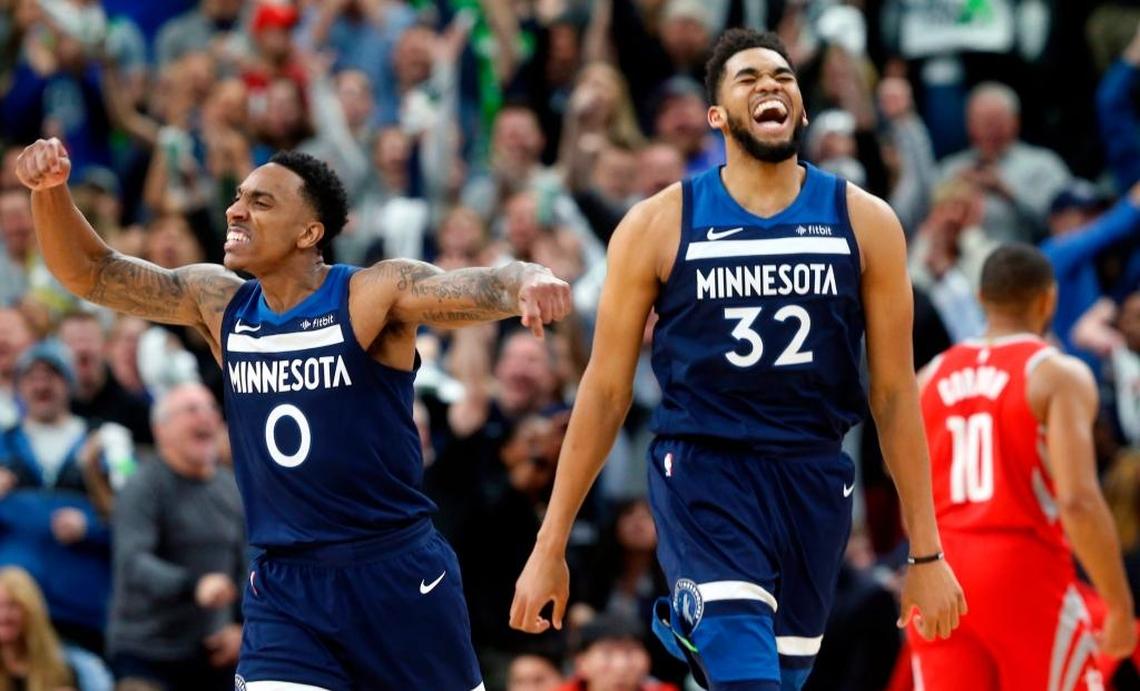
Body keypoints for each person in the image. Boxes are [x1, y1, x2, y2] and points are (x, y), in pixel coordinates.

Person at [16, 138, 572, 689]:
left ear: (309, 233)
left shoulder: (367, 295)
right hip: (286, 586)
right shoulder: (220, 303)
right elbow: (95, 273)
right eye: (239, 196)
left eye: (261, 202)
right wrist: (49, 192)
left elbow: (478, 282)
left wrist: (526, 280)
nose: (235, 209)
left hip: (396, 575)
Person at [511, 29, 965, 691]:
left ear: (802, 109)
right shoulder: (657, 223)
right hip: (703, 472)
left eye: (782, 76)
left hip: (812, 478)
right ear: (717, 117)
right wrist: (549, 544)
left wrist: (927, 551)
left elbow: (895, 395)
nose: (770, 86)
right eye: (748, 79)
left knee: (776, 679)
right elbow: (605, 390)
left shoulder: (865, 221)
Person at [910, 243, 1137, 690]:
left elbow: (908, 491)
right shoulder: (1056, 373)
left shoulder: (928, 377)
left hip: (940, 566)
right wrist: (1119, 605)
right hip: (1020, 569)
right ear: (1047, 299)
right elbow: (1077, 501)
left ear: (981, 298)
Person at [107, 383, 245, 691]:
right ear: (161, 429)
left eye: (211, 409)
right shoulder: (143, 485)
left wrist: (242, 627)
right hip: (148, 652)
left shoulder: (231, 488)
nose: (206, 417)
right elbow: (133, 562)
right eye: (192, 410)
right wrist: (193, 585)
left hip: (215, 650)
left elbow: (248, 564)